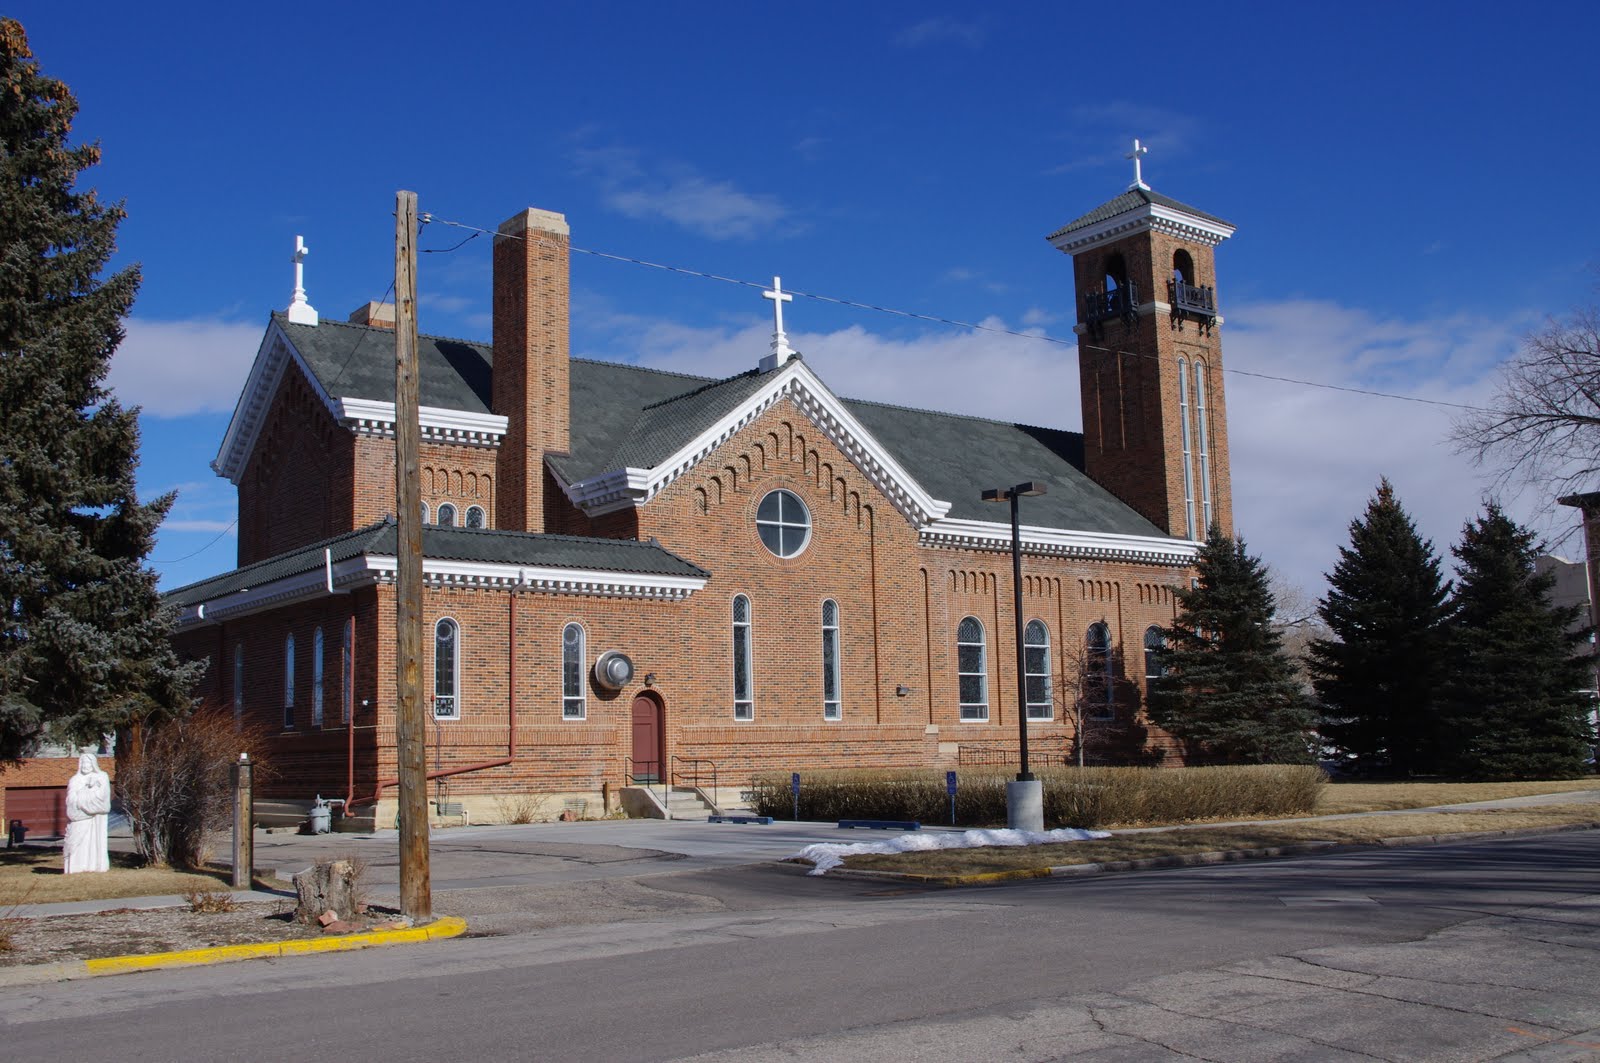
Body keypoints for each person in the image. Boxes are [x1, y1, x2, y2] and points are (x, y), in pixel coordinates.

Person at [63, 752, 111, 874]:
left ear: (93, 764)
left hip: (96, 820)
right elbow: (71, 800)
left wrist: (83, 796)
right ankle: (76, 867)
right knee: (75, 843)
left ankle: (94, 866)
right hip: (78, 818)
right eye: (83, 763)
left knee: (93, 844)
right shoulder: (75, 779)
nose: (85, 766)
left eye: (88, 763)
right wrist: (86, 793)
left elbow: (102, 798)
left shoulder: (101, 776)